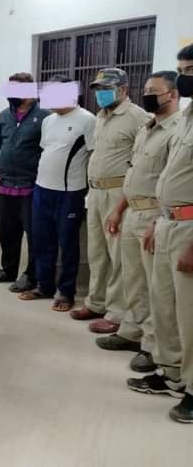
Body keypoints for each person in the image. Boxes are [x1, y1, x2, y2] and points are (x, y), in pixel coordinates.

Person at [98, 72, 181, 374]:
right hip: (132, 211)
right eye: (145, 89)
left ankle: (152, 345)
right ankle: (132, 331)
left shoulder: (177, 131)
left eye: (153, 91)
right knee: (132, 279)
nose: (148, 95)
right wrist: (118, 209)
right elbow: (133, 173)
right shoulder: (148, 128)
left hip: (154, 216)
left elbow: (173, 184)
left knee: (155, 287)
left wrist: (159, 222)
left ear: (172, 95)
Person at [128, 45, 193, 423]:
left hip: (189, 229)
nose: (184, 77)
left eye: (190, 70)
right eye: (181, 70)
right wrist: (158, 219)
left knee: (189, 313)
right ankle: (172, 373)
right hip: (168, 222)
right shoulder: (186, 120)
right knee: (164, 304)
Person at [70, 68, 150, 334]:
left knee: (118, 255)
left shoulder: (138, 118)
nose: (101, 94)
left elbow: (141, 162)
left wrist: (123, 204)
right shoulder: (101, 117)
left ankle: (117, 312)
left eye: (107, 89)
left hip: (119, 194)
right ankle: (96, 302)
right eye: (98, 90)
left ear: (123, 90)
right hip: (95, 192)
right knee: (97, 252)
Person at [18, 76, 95, 312]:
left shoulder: (87, 120)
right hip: (42, 188)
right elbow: (48, 150)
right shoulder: (48, 120)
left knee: (68, 243)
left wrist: (89, 193)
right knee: (42, 240)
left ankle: (66, 292)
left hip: (70, 192)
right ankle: (44, 285)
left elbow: (93, 156)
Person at [0, 72, 50, 292]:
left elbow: (47, 148)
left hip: (31, 185)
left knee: (33, 234)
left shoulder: (44, 117)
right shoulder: (3, 116)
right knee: (6, 231)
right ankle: (8, 270)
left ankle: (31, 275)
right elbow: (1, 142)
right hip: (7, 183)